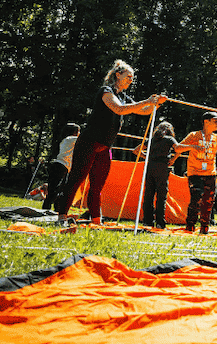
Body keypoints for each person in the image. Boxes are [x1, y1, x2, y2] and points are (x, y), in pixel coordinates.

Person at [55, 60, 166, 224]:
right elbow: (119, 109)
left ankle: (96, 220)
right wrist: (147, 101)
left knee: (98, 186)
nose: (130, 80)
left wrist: (156, 104)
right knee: (76, 179)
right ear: (118, 75)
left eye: (132, 78)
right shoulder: (106, 91)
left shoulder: (123, 96)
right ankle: (62, 216)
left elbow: (143, 110)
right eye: (128, 76)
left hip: (105, 146)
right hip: (89, 141)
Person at [133, 122, 199, 229]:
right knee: (161, 196)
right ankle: (160, 223)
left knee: (148, 195)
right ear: (170, 130)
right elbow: (178, 149)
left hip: (150, 168)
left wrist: (147, 157)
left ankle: (147, 221)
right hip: (162, 169)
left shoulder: (152, 140)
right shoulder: (169, 139)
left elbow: (136, 151)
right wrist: (192, 147)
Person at [181, 112, 217, 234]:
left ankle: (204, 228)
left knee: (208, 202)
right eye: (215, 121)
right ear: (206, 122)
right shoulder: (194, 135)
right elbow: (178, 148)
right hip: (195, 173)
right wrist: (192, 147)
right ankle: (190, 226)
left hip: (210, 173)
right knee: (196, 198)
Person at [42, 123, 80, 210]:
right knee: (54, 190)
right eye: (78, 131)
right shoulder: (70, 139)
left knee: (60, 190)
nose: (79, 133)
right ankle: (46, 209)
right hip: (60, 166)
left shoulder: (66, 139)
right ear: (74, 132)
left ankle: (56, 209)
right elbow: (85, 139)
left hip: (63, 167)